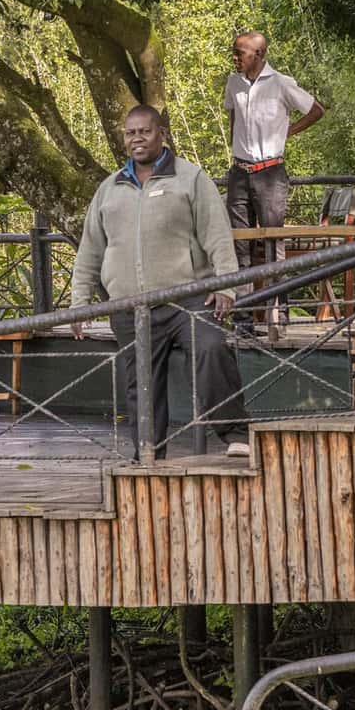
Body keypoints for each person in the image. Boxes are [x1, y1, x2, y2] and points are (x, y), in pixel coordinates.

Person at [69, 106, 252, 457]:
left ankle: (235, 433)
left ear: (162, 134)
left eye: (145, 131)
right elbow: (90, 250)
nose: (137, 138)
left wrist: (225, 285)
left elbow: (217, 235)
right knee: (142, 385)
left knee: (211, 347)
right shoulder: (109, 189)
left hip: (188, 298)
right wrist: (79, 303)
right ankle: (149, 454)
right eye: (130, 133)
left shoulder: (190, 178)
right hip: (130, 306)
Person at [223, 32, 324, 332]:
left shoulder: (280, 83)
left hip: (270, 171)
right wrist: (235, 147)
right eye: (234, 52)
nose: (235, 57)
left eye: (240, 52)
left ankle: (277, 315)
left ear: (259, 54)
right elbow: (233, 117)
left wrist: (287, 132)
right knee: (240, 245)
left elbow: (316, 110)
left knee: (272, 243)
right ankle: (242, 318)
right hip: (239, 171)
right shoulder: (234, 82)